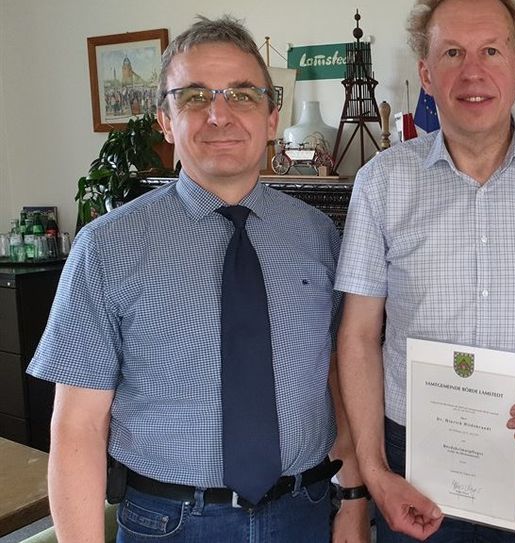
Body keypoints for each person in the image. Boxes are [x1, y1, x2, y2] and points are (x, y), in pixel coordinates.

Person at [27, 16, 369, 542]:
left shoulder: (318, 236)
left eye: (243, 95)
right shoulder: (107, 247)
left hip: (304, 512)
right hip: (171, 523)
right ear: (165, 121)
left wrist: (351, 501)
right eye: (193, 97)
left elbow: (334, 381)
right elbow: (77, 427)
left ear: (272, 115)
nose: (219, 115)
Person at [334, 0, 515, 541]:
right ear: (426, 74)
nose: (473, 72)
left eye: (491, 50)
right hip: (412, 459)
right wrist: (373, 473)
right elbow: (357, 336)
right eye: (452, 53)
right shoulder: (380, 183)